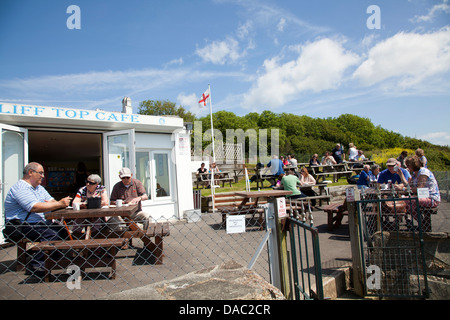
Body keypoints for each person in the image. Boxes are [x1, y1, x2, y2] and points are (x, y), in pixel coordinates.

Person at [4, 162, 72, 275]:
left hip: (39, 223)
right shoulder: (21, 188)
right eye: (40, 173)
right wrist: (59, 204)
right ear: (31, 173)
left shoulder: (39, 188)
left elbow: (52, 201)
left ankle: (48, 259)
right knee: (53, 235)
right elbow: (34, 207)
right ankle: (37, 265)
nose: (43, 176)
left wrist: (55, 204)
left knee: (63, 232)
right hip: (23, 225)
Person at [398, 156, 440, 228]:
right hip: (422, 197)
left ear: (413, 165)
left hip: (431, 198)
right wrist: (401, 175)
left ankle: (421, 222)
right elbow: (408, 185)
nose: (407, 167)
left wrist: (404, 189)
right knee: (405, 201)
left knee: (407, 201)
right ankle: (421, 222)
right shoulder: (415, 174)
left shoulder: (423, 172)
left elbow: (419, 188)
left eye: (408, 165)